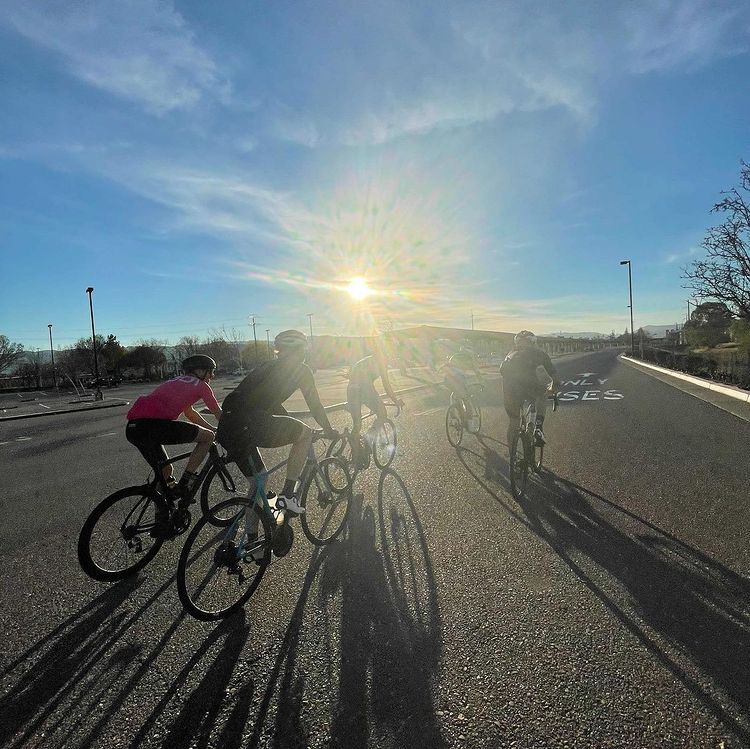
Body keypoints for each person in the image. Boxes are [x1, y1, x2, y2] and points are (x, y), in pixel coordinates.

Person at [216, 329, 338, 516]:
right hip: (250, 424)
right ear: (301, 349)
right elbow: (315, 405)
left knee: (259, 482)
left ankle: (252, 539)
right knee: (305, 433)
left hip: (227, 427)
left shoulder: (267, 366)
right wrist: (328, 430)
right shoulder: (301, 369)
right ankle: (288, 495)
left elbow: (267, 402)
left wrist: (288, 422)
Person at [125, 354, 222, 497]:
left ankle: (162, 512)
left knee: (165, 471)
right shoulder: (202, 386)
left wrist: (212, 429)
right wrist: (229, 429)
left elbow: (191, 414)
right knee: (208, 438)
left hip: (133, 428)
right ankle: (185, 483)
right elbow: (218, 413)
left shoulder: (175, 380)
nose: (212, 376)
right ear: (200, 371)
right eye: (211, 371)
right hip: (153, 426)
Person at [500, 331, 560, 448]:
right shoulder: (539, 354)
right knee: (542, 394)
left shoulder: (510, 354)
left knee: (513, 422)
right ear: (533, 342)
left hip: (509, 391)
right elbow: (556, 379)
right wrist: (552, 390)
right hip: (530, 388)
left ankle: (513, 458)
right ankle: (538, 426)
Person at [347, 344, 404, 467]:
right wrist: (395, 401)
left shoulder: (365, 360)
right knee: (382, 413)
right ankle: (368, 438)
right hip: (365, 388)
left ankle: (356, 451)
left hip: (351, 389)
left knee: (357, 424)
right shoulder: (381, 363)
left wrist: (373, 405)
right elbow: (386, 385)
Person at [442, 346, 484, 433]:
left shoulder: (454, 356)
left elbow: (444, 366)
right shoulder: (469, 358)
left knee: (454, 395)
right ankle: (470, 424)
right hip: (459, 377)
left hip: (447, 379)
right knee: (466, 399)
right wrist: (481, 382)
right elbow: (477, 372)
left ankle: (453, 418)